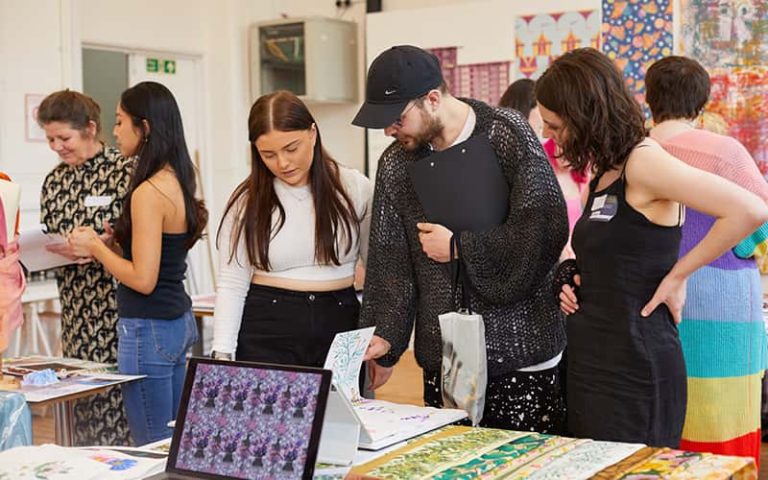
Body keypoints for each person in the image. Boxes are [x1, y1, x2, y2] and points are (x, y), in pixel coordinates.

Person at [544, 48, 768, 447]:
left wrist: (680, 274)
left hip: (635, 365)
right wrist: (571, 276)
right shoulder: (602, 169)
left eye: (556, 126)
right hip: (592, 358)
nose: (552, 137)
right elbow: (610, 253)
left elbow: (749, 210)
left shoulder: (644, 161)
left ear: (584, 114)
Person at [352, 45, 568, 432]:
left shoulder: (506, 132)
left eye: (396, 119)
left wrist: (459, 247)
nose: (388, 131)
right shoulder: (396, 164)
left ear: (432, 99)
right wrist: (386, 335)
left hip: (521, 349)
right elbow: (391, 262)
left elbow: (545, 227)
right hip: (447, 357)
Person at [68, 82, 207, 445]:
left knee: (152, 446)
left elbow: (143, 280)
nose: (114, 132)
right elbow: (165, 253)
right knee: (175, 443)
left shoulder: (148, 191)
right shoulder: (177, 178)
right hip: (177, 322)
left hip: (150, 326)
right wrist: (119, 241)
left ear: (143, 127)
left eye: (118, 122)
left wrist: (97, 249)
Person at [646, 56, 768, 464]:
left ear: (649, 98)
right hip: (722, 305)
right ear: (702, 104)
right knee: (723, 426)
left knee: (665, 424)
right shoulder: (724, 151)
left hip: (652, 301)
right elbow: (759, 224)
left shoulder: (633, 151)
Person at [210, 90, 372, 368]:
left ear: (312, 133)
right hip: (267, 327)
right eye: (268, 154)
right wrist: (222, 352)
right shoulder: (247, 201)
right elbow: (232, 283)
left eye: (291, 148)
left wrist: (382, 341)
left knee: (340, 411)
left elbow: (379, 271)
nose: (282, 163)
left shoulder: (354, 187)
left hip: (341, 322)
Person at [38, 90, 132, 446]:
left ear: (91, 129)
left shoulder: (123, 169)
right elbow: (49, 235)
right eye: (50, 139)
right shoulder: (54, 181)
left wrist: (105, 245)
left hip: (118, 308)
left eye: (64, 137)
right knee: (81, 403)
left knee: (121, 403)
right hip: (76, 313)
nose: (57, 147)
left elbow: (142, 239)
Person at [499, 79, 588, 257]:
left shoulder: (570, 164)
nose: (546, 134)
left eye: (550, 126)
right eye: (541, 126)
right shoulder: (514, 167)